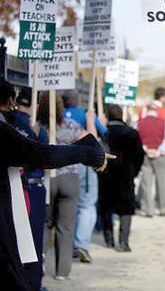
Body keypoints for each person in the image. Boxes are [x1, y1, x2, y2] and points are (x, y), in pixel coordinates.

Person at [0, 85, 110, 291]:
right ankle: (59, 271)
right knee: (61, 228)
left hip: (46, 183)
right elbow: (42, 154)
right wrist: (88, 151)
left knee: (47, 228)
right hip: (48, 183)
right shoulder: (12, 129)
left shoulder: (26, 124)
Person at [40, 91, 100, 279]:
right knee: (65, 227)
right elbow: (92, 141)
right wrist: (91, 120)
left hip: (46, 178)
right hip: (69, 179)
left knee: (44, 224)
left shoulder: (36, 126)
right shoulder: (72, 126)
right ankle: (62, 272)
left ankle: (39, 262)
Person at [3, 87, 49, 291]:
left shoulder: (11, 122)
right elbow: (44, 157)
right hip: (25, 188)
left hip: (19, 187)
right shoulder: (22, 126)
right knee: (28, 243)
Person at [61, 90, 106, 264]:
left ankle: (70, 244)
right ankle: (81, 244)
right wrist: (97, 122)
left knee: (68, 205)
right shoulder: (86, 115)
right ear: (78, 100)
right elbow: (100, 135)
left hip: (61, 163)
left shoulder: (56, 114)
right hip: (83, 162)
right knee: (87, 204)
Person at [99, 105, 145, 252]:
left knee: (106, 208)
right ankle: (124, 241)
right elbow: (140, 156)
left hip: (106, 176)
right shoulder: (132, 133)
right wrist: (133, 172)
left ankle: (109, 239)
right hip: (126, 176)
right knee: (126, 209)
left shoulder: (105, 134)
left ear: (107, 116)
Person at [138, 101, 165, 217]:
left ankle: (149, 210)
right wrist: (159, 150)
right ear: (156, 111)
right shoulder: (163, 122)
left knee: (146, 184)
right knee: (161, 182)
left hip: (145, 155)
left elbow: (136, 138)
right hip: (160, 156)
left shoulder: (139, 123)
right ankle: (162, 208)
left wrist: (146, 149)